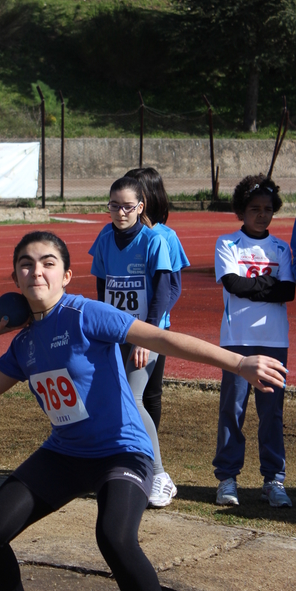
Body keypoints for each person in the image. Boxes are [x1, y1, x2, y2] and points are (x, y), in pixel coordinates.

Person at [0, 230, 286, 591]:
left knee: (115, 537)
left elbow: (161, 338)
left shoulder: (85, 314)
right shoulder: (24, 344)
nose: (36, 271)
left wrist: (239, 361)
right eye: (26, 264)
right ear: (16, 278)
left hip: (122, 451)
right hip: (64, 454)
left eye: (47, 263)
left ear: (66, 275)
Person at [88, 176, 176, 508]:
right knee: (110, 399)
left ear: (140, 207)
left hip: (148, 333)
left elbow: (164, 292)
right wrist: (100, 330)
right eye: (114, 206)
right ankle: (120, 467)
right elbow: (101, 287)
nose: (120, 212)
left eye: (127, 206)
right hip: (115, 332)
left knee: (134, 399)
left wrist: (146, 338)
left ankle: (159, 474)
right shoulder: (105, 239)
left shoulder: (155, 242)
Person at [213, 175, 295, 508]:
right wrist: (268, 285)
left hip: (274, 341)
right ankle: (227, 479)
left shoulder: (281, 248)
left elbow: (287, 291)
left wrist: (259, 286)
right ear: (241, 211)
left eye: (267, 209)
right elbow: (234, 285)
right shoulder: (227, 243)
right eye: (254, 209)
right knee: (232, 410)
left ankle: (273, 480)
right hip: (236, 341)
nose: (262, 215)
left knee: (271, 414)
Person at [124, 167, 190, 432]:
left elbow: (173, 288)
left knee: (149, 393)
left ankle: (149, 454)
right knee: (120, 389)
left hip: (154, 329)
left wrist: (153, 324)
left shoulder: (166, 237)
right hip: (122, 326)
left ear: (147, 197)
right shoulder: (118, 234)